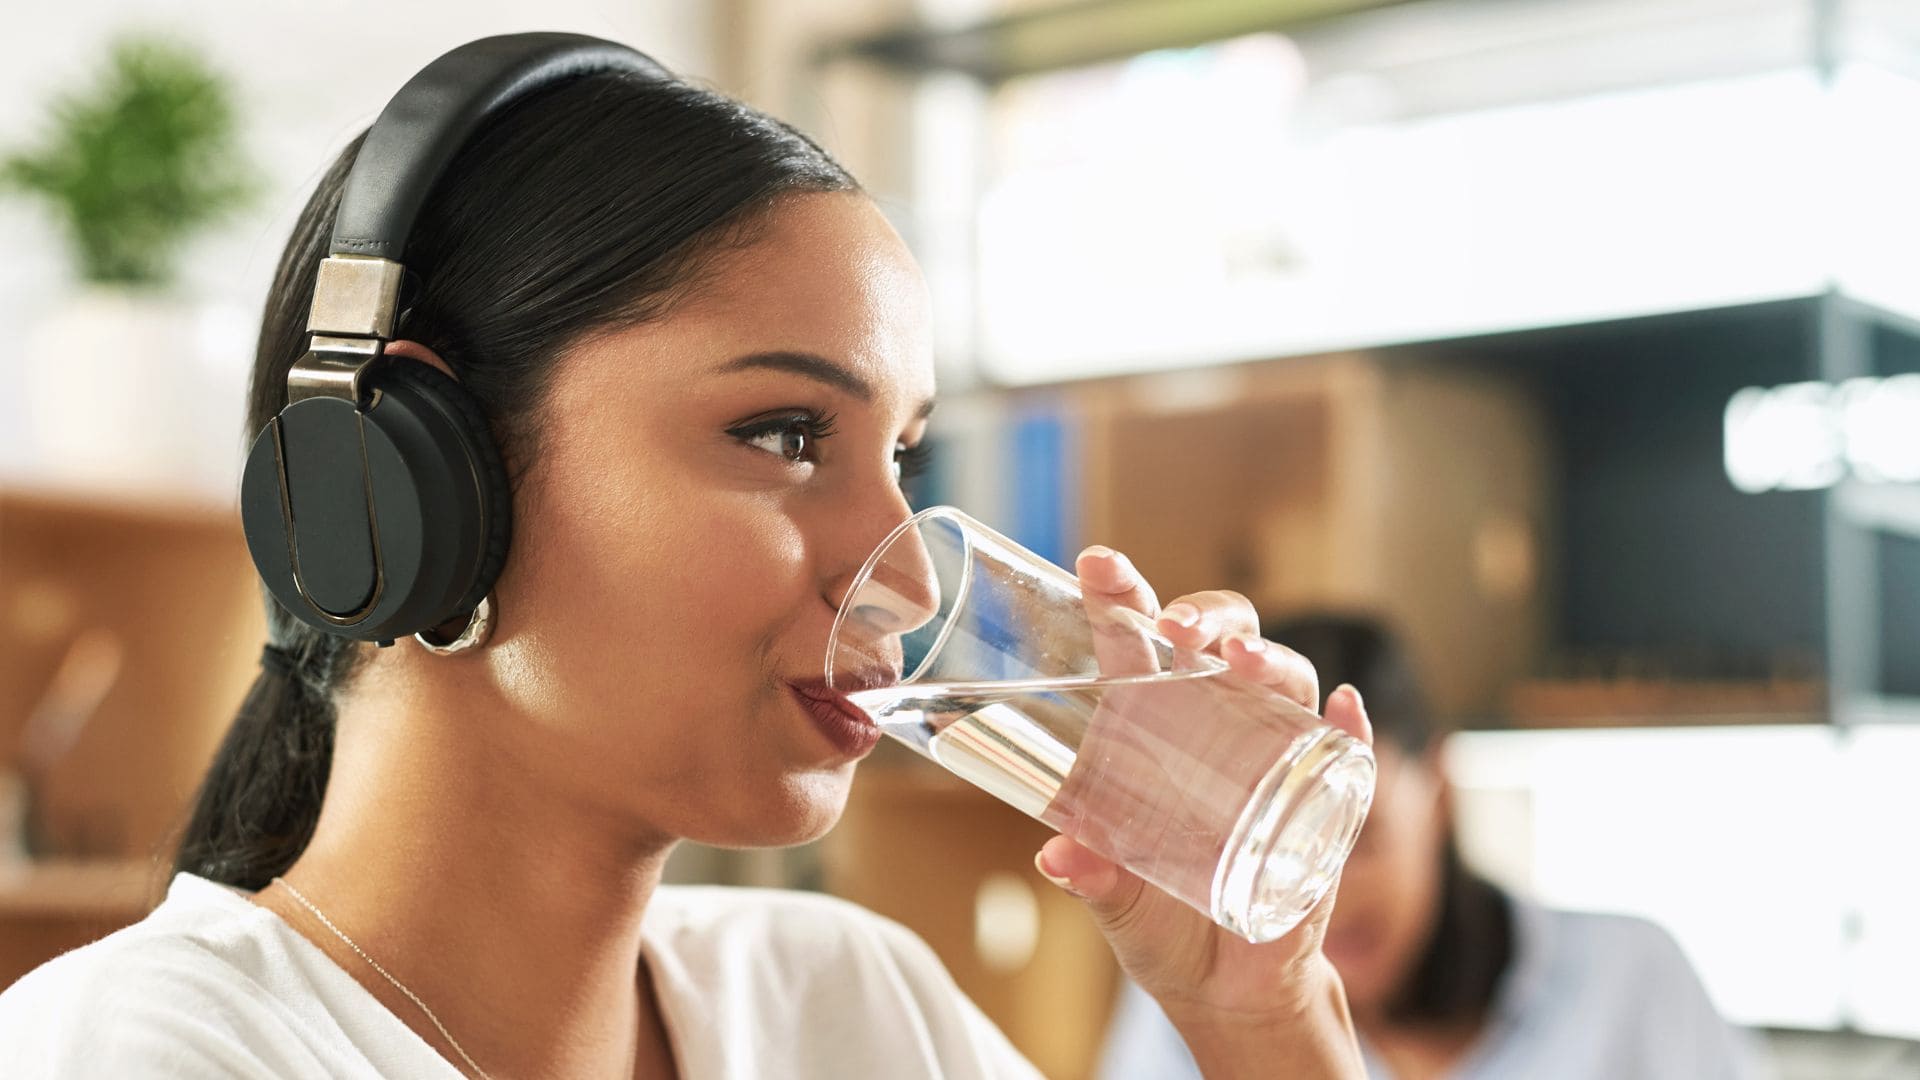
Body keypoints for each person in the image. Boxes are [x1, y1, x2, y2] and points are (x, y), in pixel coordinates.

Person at [0, 35, 1374, 1079]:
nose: (895, 562)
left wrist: (1261, 1017)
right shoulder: (140, 1051)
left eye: (903, 459)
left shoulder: (850, 1008)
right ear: (413, 479)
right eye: (782, 434)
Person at [1098, 614, 1764, 1080]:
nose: (1325, 897)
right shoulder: (1194, 1002)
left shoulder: (1631, 979)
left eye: (1356, 837)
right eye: (1276, 854)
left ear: (1441, 790)